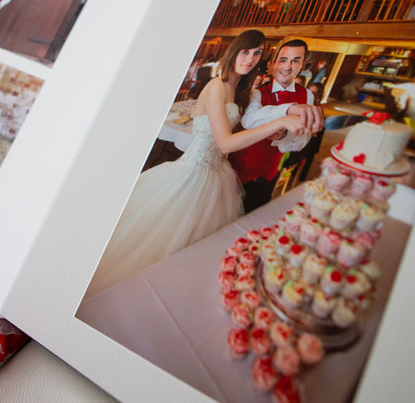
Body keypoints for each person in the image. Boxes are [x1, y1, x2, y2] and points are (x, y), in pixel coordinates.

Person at [87, 30, 305, 296]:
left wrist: (270, 130)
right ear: (234, 51)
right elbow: (224, 143)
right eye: (245, 51)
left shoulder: (238, 88)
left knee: (197, 249)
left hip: (218, 173)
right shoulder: (216, 86)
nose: (249, 58)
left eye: (257, 53)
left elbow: (227, 135)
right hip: (194, 173)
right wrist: (280, 121)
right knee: (161, 244)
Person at [229, 39, 324, 213]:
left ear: (302, 65)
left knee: (252, 221)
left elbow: (301, 141)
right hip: (238, 173)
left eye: (295, 61)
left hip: (269, 174)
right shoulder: (256, 92)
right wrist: (289, 110)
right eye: (283, 60)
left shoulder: (307, 96)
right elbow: (249, 120)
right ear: (273, 63)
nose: (287, 66)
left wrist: (283, 136)